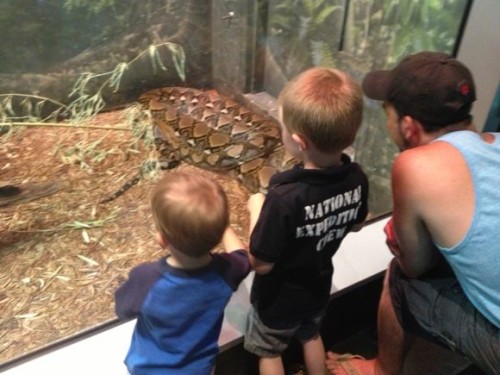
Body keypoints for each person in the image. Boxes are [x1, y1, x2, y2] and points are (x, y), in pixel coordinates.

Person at [326, 51, 500, 375]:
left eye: (387, 112)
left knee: (400, 278)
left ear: (408, 127)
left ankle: (381, 369)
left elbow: (415, 265)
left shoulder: (414, 165)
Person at [244, 67, 370, 375]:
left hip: (277, 300)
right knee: (311, 335)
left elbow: (261, 263)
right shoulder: (356, 178)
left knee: (269, 351)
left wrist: (255, 211)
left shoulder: (285, 196)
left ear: (299, 141)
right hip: (318, 288)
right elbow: (356, 224)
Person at [115, 171, 251, 375]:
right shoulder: (226, 271)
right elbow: (242, 255)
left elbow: (122, 310)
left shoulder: (147, 278)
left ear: (161, 240)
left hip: (149, 369)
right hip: (200, 368)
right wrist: (223, 228)